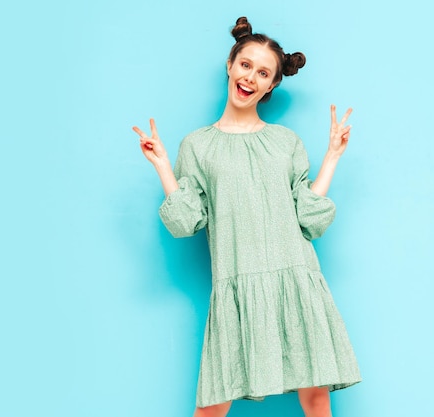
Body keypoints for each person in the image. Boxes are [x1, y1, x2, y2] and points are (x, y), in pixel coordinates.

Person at [132, 16, 361, 417]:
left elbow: (308, 216)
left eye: (263, 72)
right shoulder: (198, 146)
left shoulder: (285, 142)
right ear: (230, 64)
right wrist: (164, 166)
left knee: (316, 398)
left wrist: (333, 156)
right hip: (237, 280)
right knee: (213, 406)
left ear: (271, 85)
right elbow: (186, 221)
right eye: (246, 65)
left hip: (295, 277)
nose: (251, 77)